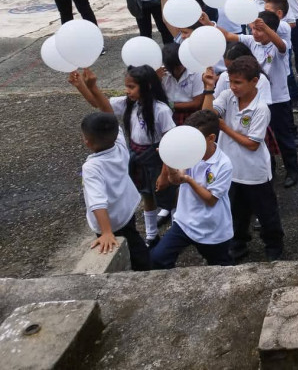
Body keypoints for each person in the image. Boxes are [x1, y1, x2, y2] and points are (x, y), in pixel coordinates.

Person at [69, 66, 175, 248]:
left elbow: (170, 143)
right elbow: (101, 106)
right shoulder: (129, 103)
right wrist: (86, 86)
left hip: (158, 157)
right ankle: (151, 234)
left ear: (147, 86)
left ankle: (175, 233)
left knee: (168, 198)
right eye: (126, 86)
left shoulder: (161, 110)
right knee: (146, 196)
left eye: (131, 87)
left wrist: (165, 173)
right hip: (138, 156)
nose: (127, 91)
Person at [204, 56, 284, 262]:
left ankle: (274, 246)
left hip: (254, 172)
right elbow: (207, 115)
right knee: (235, 212)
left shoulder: (261, 108)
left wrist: (224, 127)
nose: (233, 87)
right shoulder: (227, 96)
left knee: (266, 213)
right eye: (231, 81)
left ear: (254, 81)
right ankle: (238, 244)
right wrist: (208, 90)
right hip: (231, 170)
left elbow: (252, 143)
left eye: (238, 82)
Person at [217, 11, 298, 188]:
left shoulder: (279, 45)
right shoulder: (250, 41)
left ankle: (293, 170)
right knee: (262, 137)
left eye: (259, 30)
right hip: (255, 100)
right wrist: (209, 23)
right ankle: (269, 168)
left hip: (277, 99)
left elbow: (281, 46)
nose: (254, 33)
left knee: (283, 136)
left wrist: (267, 29)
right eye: (253, 29)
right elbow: (227, 35)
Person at [150, 109, 234, 268]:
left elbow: (210, 200)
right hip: (185, 222)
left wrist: (188, 180)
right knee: (158, 258)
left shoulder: (223, 164)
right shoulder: (189, 150)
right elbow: (174, 180)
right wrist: (169, 163)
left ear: (211, 138)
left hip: (212, 229)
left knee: (221, 268)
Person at [78, 111, 150, 271]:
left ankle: (147, 266)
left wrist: (106, 232)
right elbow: (110, 115)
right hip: (126, 209)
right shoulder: (119, 145)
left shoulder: (91, 167)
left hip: (111, 221)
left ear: (87, 142)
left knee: (132, 247)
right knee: (132, 235)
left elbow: (97, 201)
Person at [159, 42, 205, 125]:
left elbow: (197, 103)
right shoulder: (162, 73)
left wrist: (171, 105)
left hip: (190, 112)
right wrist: (156, 79)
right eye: (172, 68)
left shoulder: (196, 72)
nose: (176, 71)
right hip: (167, 111)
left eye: (178, 66)